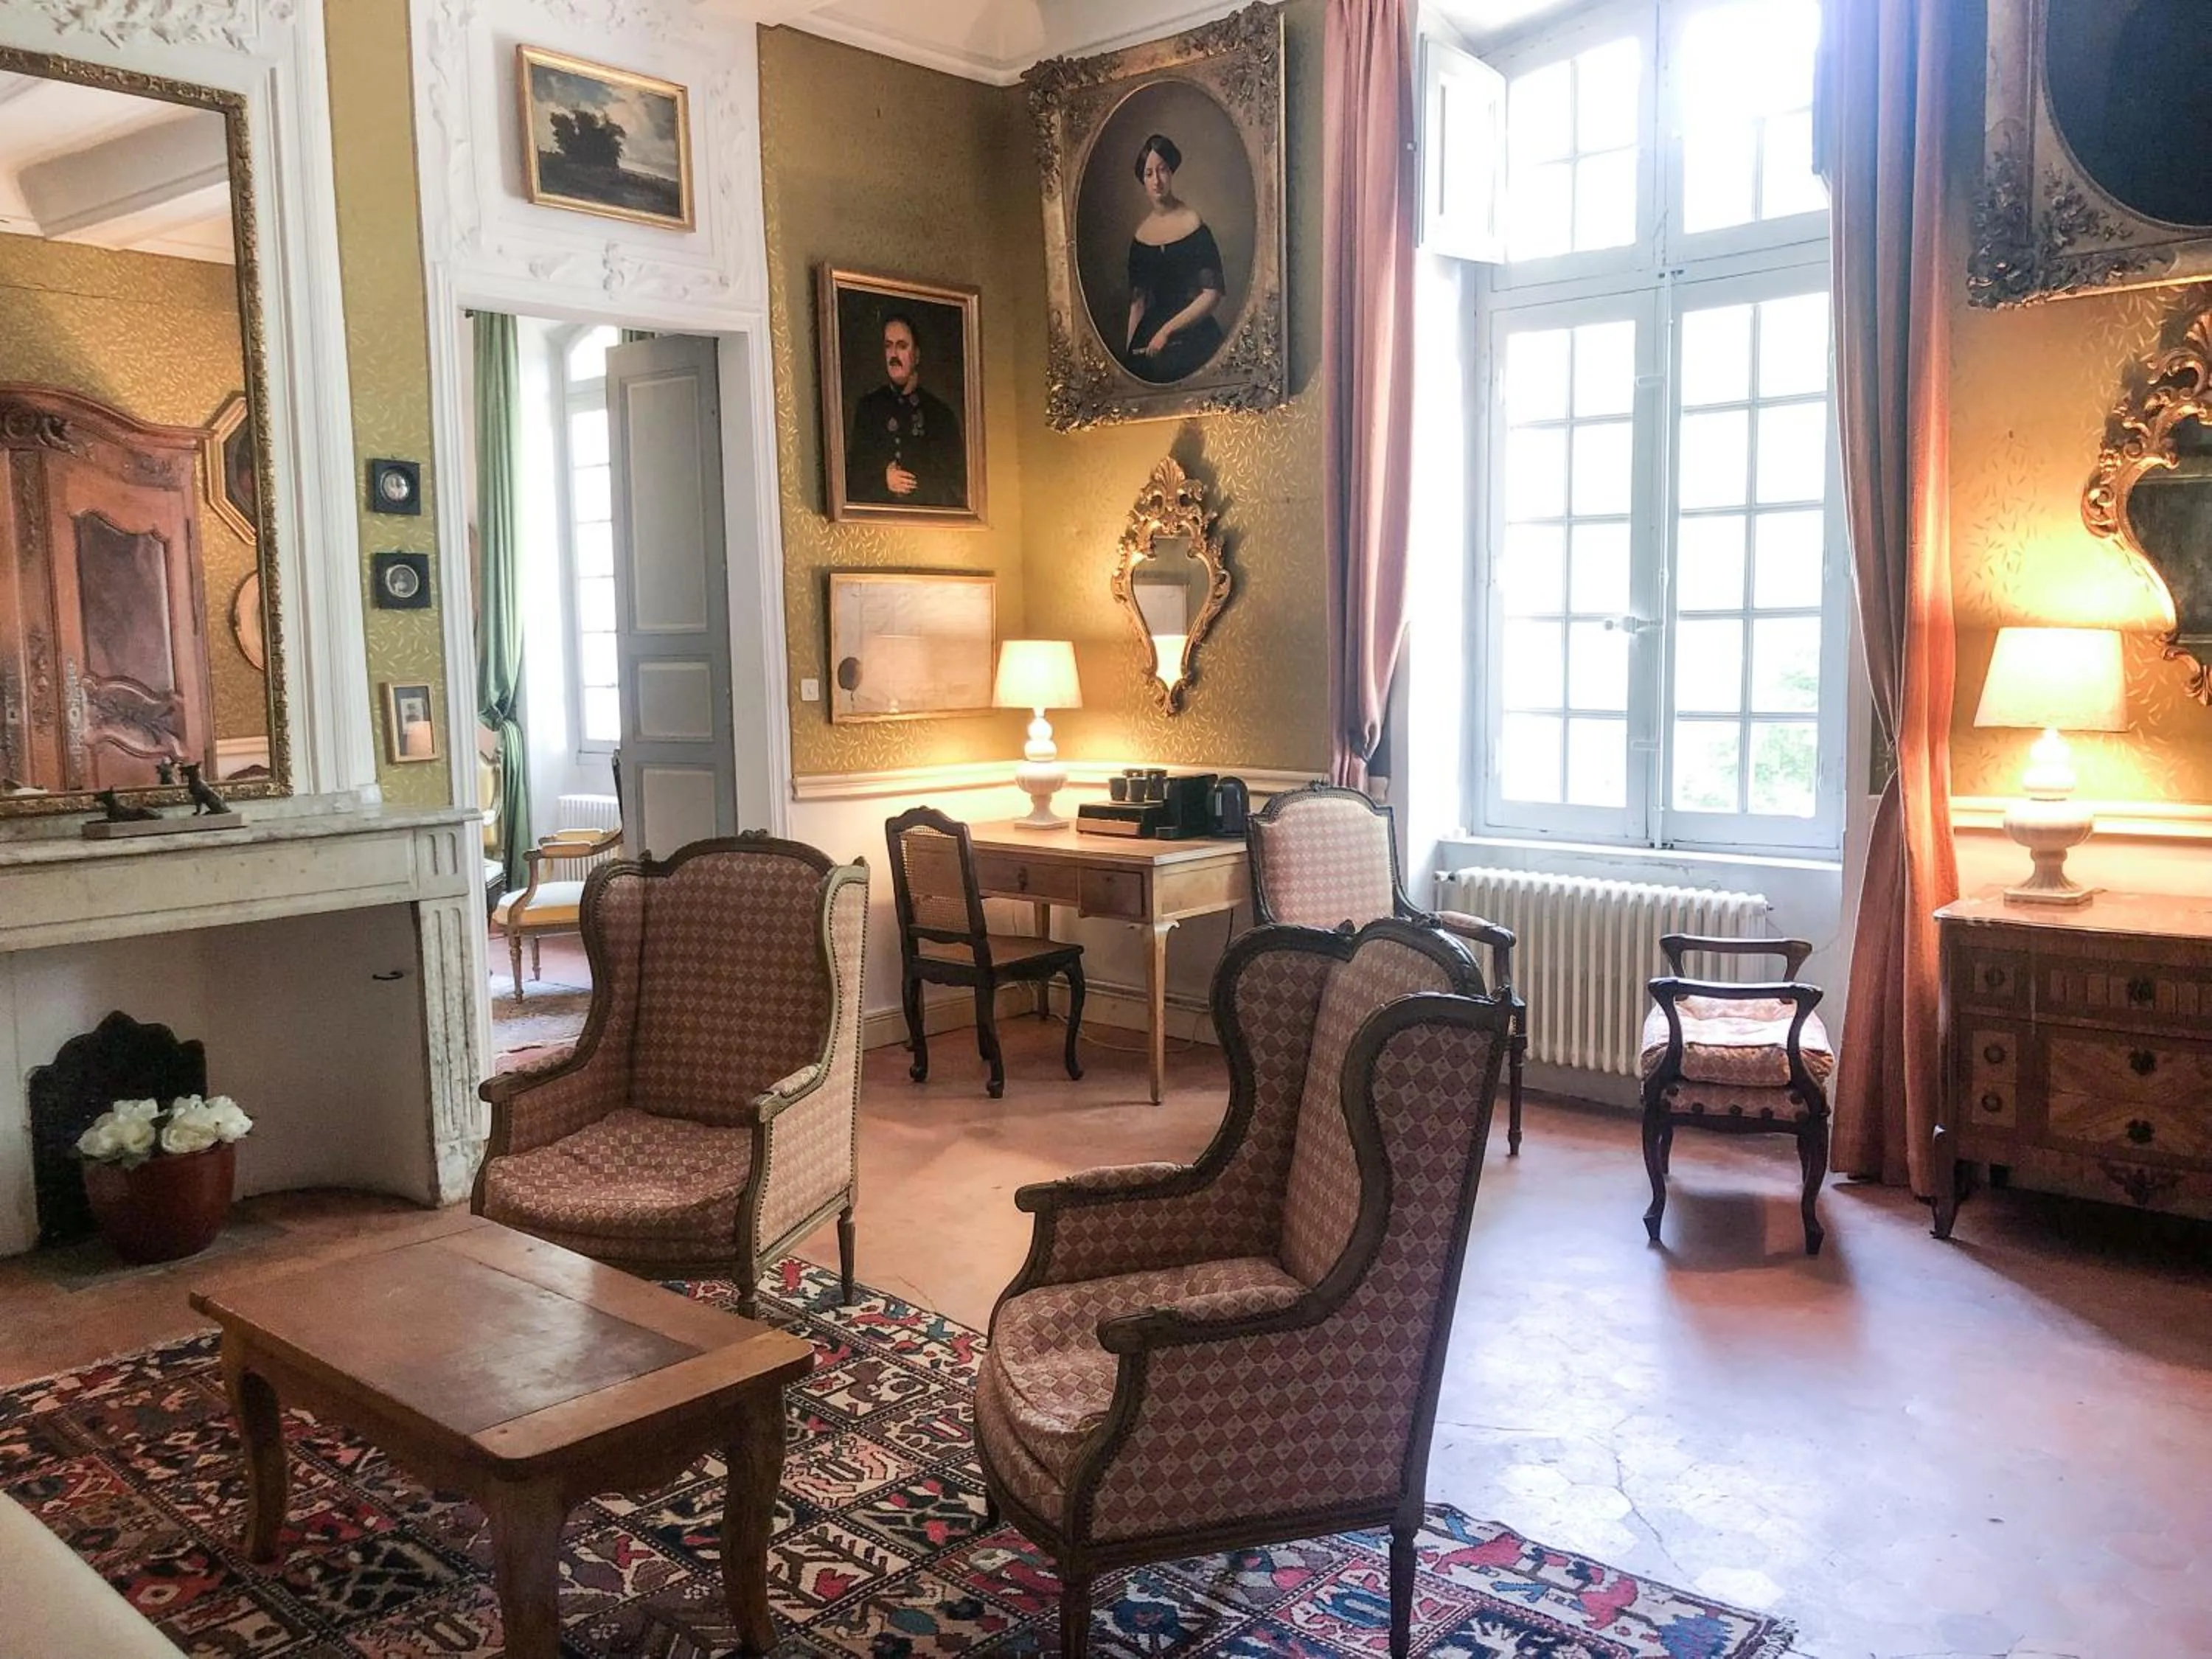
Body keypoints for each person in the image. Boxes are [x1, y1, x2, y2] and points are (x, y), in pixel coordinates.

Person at [1121, 133, 1226, 384]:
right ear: (1143, 180)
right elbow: (1138, 305)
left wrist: (1167, 331)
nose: (1157, 181)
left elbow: (1212, 295)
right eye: (1149, 174)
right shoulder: (1140, 237)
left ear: (1172, 173)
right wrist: (1126, 365)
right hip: (1150, 341)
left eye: (1163, 170)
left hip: (1193, 332)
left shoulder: (1194, 225)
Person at [845, 311, 965, 508]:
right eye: (888, 346)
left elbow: (955, 486)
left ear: (916, 355)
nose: (894, 355)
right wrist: (883, 480)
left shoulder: (941, 415)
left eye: (902, 346)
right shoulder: (868, 409)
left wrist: (918, 486)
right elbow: (852, 479)